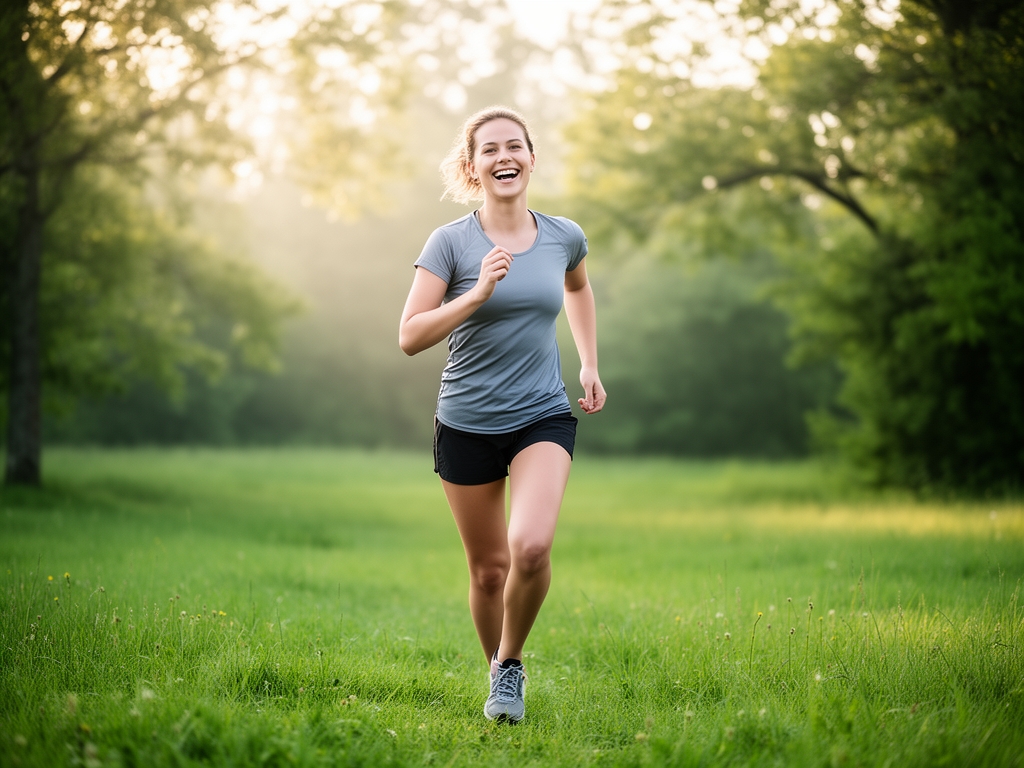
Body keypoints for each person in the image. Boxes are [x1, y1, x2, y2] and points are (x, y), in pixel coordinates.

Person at [399, 106, 606, 723]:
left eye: (514, 146)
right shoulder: (450, 243)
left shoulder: (564, 235)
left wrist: (589, 364)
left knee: (531, 546)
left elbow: (578, 288)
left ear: (532, 158)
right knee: (489, 572)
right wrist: (476, 295)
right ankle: (497, 678)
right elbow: (409, 336)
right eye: (489, 150)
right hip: (464, 420)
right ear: (473, 167)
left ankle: (509, 665)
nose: (503, 157)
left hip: (541, 413)